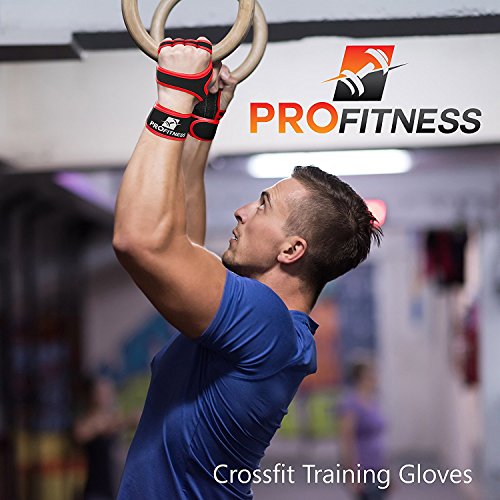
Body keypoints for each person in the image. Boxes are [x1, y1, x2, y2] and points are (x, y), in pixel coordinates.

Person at [113, 37, 382, 499]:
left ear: (292, 249)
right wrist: (201, 123)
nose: (241, 211)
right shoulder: (274, 328)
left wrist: (174, 95)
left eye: (262, 205)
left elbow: (139, 240)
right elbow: (183, 245)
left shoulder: (265, 324)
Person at [338, 357, 388, 500]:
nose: (375, 377)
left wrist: (387, 470)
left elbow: (378, 439)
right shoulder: (351, 404)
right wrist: (351, 473)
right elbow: (347, 440)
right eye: (371, 374)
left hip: (377, 466)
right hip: (362, 468)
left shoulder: (373, 402)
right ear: (361, 378)